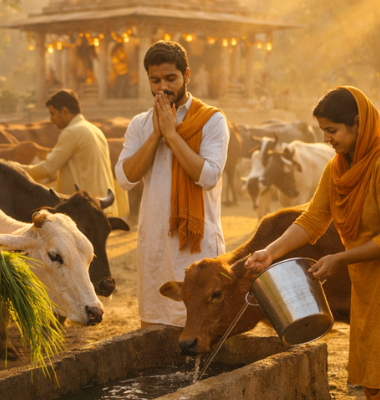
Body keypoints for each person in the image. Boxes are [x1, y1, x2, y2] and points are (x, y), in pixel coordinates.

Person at [246, 87, 380, 400]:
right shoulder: (337, 169)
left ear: (359, 124)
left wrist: (339, 259)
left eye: (333, 130)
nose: (327, 139)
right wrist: (269, 252)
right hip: (371, 283)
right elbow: (311, 220)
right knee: (377, 373)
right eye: (323, 131)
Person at [116, 41, 229, 327]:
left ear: (186, 75)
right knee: (154, 324)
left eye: (171, 78)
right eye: (155, 80)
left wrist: (172, 134)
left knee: (200, 327)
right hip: (154, 241)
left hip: (196, 244)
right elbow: (125, 178)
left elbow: (208, 176)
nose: (162, 87)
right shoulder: (140, 124)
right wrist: (155, 135)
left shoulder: (212, 121)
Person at [22, 89, 124, 217]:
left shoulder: (72, 132)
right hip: (99, 205)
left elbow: (48, 168)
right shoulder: (94, 129)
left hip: (83, 208)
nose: (51, 119)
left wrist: (19, 170)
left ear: (64, 111)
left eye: (53, 114)